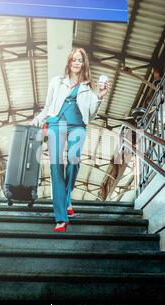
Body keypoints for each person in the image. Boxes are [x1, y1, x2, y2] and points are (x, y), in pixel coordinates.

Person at [30, 48, 110, 232]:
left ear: (84, 64)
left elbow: (91, 113)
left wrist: (99, 97)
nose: (76, 63)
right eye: (74, 59)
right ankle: (60, 218)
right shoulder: (56, 82)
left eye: (80, 60)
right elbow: (48, 107)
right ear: (69, 62)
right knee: (55, 167)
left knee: (74, 160)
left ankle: (66, 199)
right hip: (56, 124)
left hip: (77, 126)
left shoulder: (88, 87)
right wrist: (38, 119)